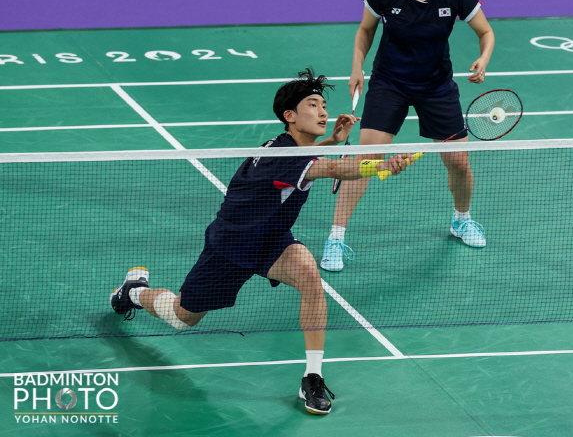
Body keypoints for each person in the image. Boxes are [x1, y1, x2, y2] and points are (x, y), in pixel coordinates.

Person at [109, 69, 417, 416]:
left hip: (272, 240)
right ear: (289, 116)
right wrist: (380, 166)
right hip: (230, 245)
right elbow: (332, 170)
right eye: (312, 105)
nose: (322, 112)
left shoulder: (291, 148)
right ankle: (132, 291)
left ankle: (312, 376)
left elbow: (316, 161)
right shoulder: (281, 157)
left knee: (309, 274)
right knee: (182, 317)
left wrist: (332, 141)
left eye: (324, 105)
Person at [321, 0, 496, 272]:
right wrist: (357, 66)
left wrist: (483, 57)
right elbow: (365, 30)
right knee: (363, 162)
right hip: (390, 83)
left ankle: (461, 219)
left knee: (459, 162)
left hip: (437, 86)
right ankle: (335, 238)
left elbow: (486, 31)